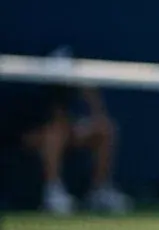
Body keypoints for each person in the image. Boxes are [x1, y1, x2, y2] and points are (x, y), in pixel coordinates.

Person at [1, 74, 130, 215]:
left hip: (66, 129)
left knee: (104, 129)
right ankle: (53, 191)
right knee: (55, 134)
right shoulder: (25, 87)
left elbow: (80, 104)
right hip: (27, 134)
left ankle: (99, 191)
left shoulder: (69, 81)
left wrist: (95, 110)